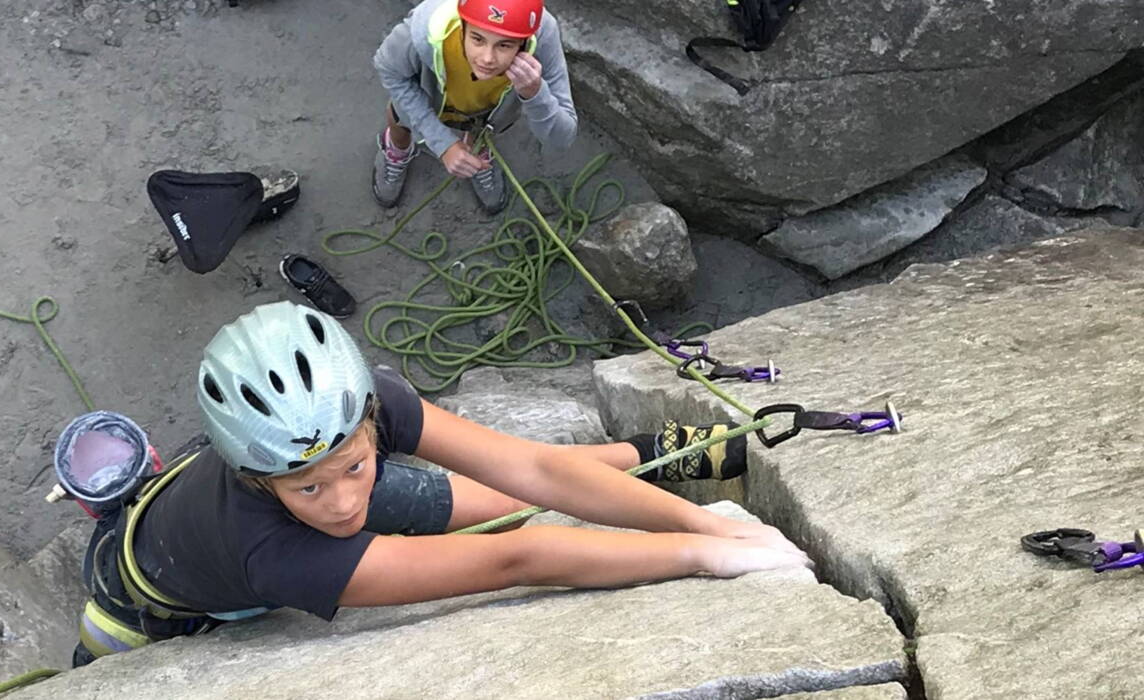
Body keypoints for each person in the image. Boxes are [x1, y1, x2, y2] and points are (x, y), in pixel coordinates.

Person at [72, 301, 810, 664]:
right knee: (502, 518)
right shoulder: (283, 552)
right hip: (145, 597)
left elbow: (536, 468)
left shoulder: (367, 412)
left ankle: (656, 453)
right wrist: (705, 556)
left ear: (370, 419)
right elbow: (516, 561)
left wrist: (710, 524)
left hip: (218, 517)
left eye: (356, 468)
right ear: (259, 478)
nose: (344, 505)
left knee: (508, 497)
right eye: (310, 488)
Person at [371, 0, 578, 214]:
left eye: (504, 45)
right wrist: (443, 143)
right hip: (428, 97)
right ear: (462, 27)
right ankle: (397, 149)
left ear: (524, 44)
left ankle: (478, 153)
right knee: (400, 121)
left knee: (481, 132)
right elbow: (388, 69)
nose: (487, 59)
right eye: (477, 39)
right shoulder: (426, 31)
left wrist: (535, 94)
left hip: (487, 112)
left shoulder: (543, 35)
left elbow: (562, 139)